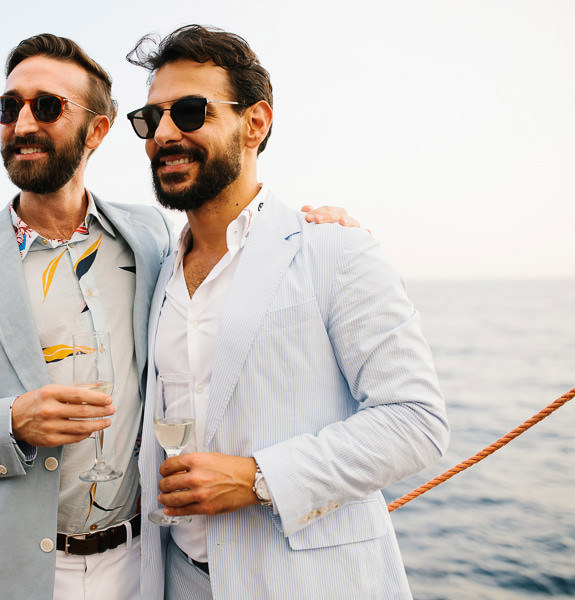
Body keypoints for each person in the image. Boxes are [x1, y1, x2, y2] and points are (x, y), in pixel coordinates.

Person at [0, 33, 355, 600]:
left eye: (46, 107)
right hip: (18, 571)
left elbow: (231, 243)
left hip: (144, 565)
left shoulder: (150, 237)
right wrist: (11, 421)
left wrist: (317, 230)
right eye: (8, 107)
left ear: (96, 131)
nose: (21, 124)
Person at [127, 25, 450, 599]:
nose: (165, 135)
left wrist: (256, 478)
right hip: (177, 581)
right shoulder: (156, 270)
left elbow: (416, 421)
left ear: (256, 123)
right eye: (150, 120)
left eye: (191, 111)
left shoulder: (334, 248)